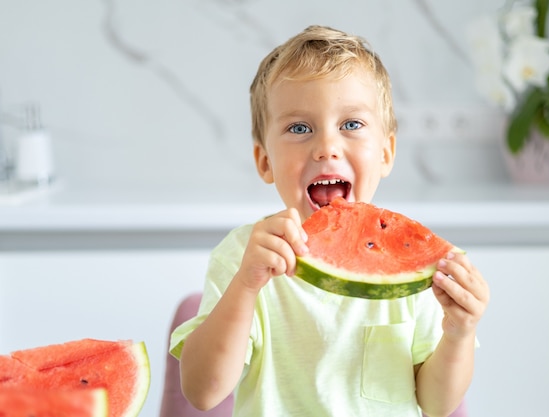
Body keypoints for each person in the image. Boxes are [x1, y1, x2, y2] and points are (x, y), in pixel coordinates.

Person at [169, 25, 489, 417]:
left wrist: (459, 333)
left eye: (351, 125)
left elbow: (437, 404)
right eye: (299, 128)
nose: (327, 148)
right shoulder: (245, 255)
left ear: (387, 152)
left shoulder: (416, 271)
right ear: (264, 161)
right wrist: (245, 285)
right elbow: (203, 393)